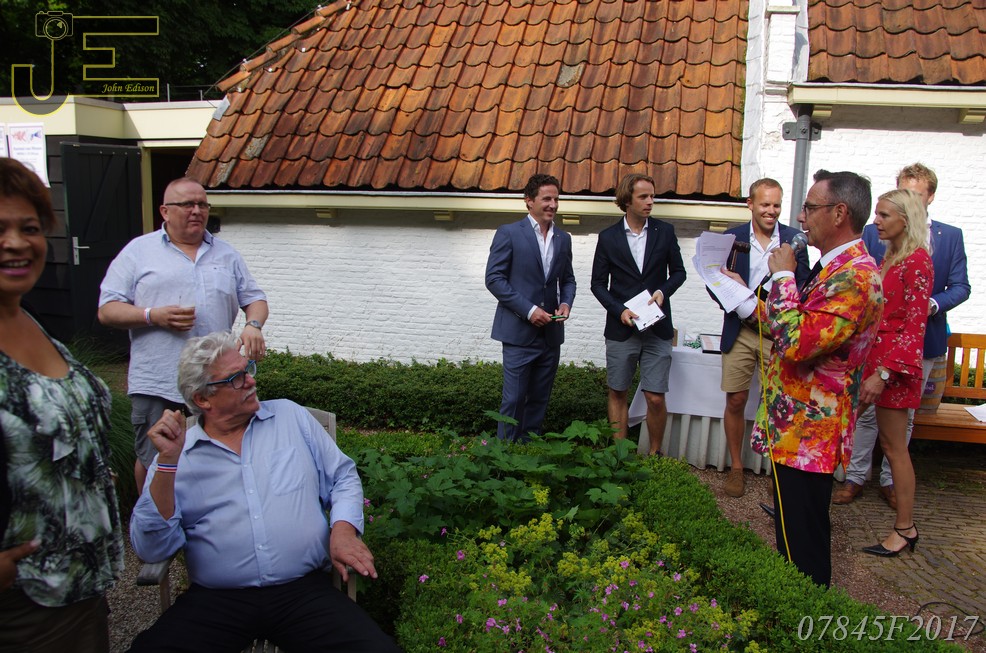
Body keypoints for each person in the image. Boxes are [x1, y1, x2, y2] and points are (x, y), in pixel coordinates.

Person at [127, 331, 400, 652]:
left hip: (302, 594)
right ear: (203, 399)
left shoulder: (291, 417)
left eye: (248, 369)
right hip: (217, 601)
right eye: (237, 378)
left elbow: (342, 476)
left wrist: (343, 530)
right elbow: (152, 548)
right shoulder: (177, 453)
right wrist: (167, 464)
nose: (251, 381)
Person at [731, 170, 883, 587]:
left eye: (809, 207)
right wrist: (743, 297)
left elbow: (797, 343)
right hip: (799, 427)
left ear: (839, 213)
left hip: (811, 430)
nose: (800, 217)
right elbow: (793, 325)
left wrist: (783, 276)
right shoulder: (835, 267)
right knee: (793, 533)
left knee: (803, 546)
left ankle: (806, 616)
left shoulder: (854, 277)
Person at [0, 158, 124, 651]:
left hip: (79, 585)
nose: (15, 242)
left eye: (29, 228)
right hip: (22, 604)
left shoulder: (28, 318)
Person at [98, 177, 269, 491]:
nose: (197, 211)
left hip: (217, 383)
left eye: (202, 204)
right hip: (158, 381)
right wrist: (152, 316)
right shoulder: (138, 252)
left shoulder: (226, 254)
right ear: (165, 211)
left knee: (215, 455)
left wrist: (253, 325)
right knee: (153, 457)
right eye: (188, 204)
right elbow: (107, 310)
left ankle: (207, 515)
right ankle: (151, 519)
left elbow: (255, 299)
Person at [835, 163, 970, 507]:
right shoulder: (885, 247)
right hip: (877, 353)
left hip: (903, 357)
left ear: (924, 201)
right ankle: (855, 477)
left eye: (885, 213)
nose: (877, 220)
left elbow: (955, 290)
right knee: (863, 423)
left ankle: (897, 503)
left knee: (897, 437)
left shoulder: (930, 250)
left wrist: (927, 306)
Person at [712, 178, 809, 497]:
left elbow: (804, 286)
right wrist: (739, 301)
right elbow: (715, 282)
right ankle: (737, 468)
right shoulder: (731, 238)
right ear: (750, 204)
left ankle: (777, 472)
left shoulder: (794, 240)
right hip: (740, 330)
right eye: (765, 204)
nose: (771, 210)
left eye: (776, 205)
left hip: (777, 334)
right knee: (736, 399)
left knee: (780, 403)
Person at [857, 189, 933, 557]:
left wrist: (884, 374)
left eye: (884, 215)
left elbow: (914, 328)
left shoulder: (917, 261)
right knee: (843, 427)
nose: (876, 221)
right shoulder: (891, 257)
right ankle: (801, 503)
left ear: (906, 218)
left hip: (893, 369)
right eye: (877, 214)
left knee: (893, 447)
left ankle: (905, 528)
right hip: (875, 360)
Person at [590, 173, 686, 453]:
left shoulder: (664, 232)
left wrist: (663, 292)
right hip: (621, 329)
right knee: (617, 391)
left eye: (652, 196)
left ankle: (655, 454)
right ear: (627, 200)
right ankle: (620, 456)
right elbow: (598, 284)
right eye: (643, 196)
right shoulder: (608, 238)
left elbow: (679, 272)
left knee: (655, 397)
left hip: (657, 328)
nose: (650, 202)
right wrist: (619, 310)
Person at [485, 174, 576, 442]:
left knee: (539, 399)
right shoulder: (509, 233)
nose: (553, 205)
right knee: (513, 399)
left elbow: (567, 280)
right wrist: (529, 310)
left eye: (556, 199)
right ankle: (503, 454)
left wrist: (565, 303)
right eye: (546, 199)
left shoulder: (563, 238)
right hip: (518, 332)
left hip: (551, 335)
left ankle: (528, 452)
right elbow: (494, 279)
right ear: (529, 201)